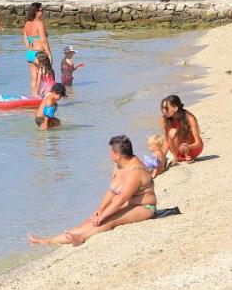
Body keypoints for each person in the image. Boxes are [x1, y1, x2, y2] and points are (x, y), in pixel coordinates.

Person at [28, 135, 157, 246]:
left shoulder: (135, 172)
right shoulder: (120, 165)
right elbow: (112, 191)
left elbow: (123, 198)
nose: (109, 154)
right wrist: (99, 211)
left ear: (117, 155)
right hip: (129, 205)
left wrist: (103, 216)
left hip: (145, 207)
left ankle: (81, 238)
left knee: (109, 220)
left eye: (110, 152)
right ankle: (49, 241)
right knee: (89, 222)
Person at [160, 94, 203, 162]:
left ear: (175, 108)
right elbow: (166, 141)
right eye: (163, 108)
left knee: (174, 132)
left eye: (166, 108)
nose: (164, 111)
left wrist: (188, 147)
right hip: (177, 153)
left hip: (193, 149)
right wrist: (162, 156)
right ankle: (176, 157)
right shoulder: (164, 120)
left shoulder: (189, 117)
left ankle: (187, 155)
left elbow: (199, 143)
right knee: (171, 133)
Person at [22, 2, 53, 95]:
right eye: (41, 10)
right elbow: (43, 40)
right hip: (39, 53)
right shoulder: (39, 23)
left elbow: (25, 40)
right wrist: (49, 54)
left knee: (34, 78)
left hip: (30, 53)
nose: (43, 12)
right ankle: (38, 97)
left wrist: (30, 49)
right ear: (36, 11)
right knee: (44, 76)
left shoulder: (27, 23)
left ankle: (33, 96)